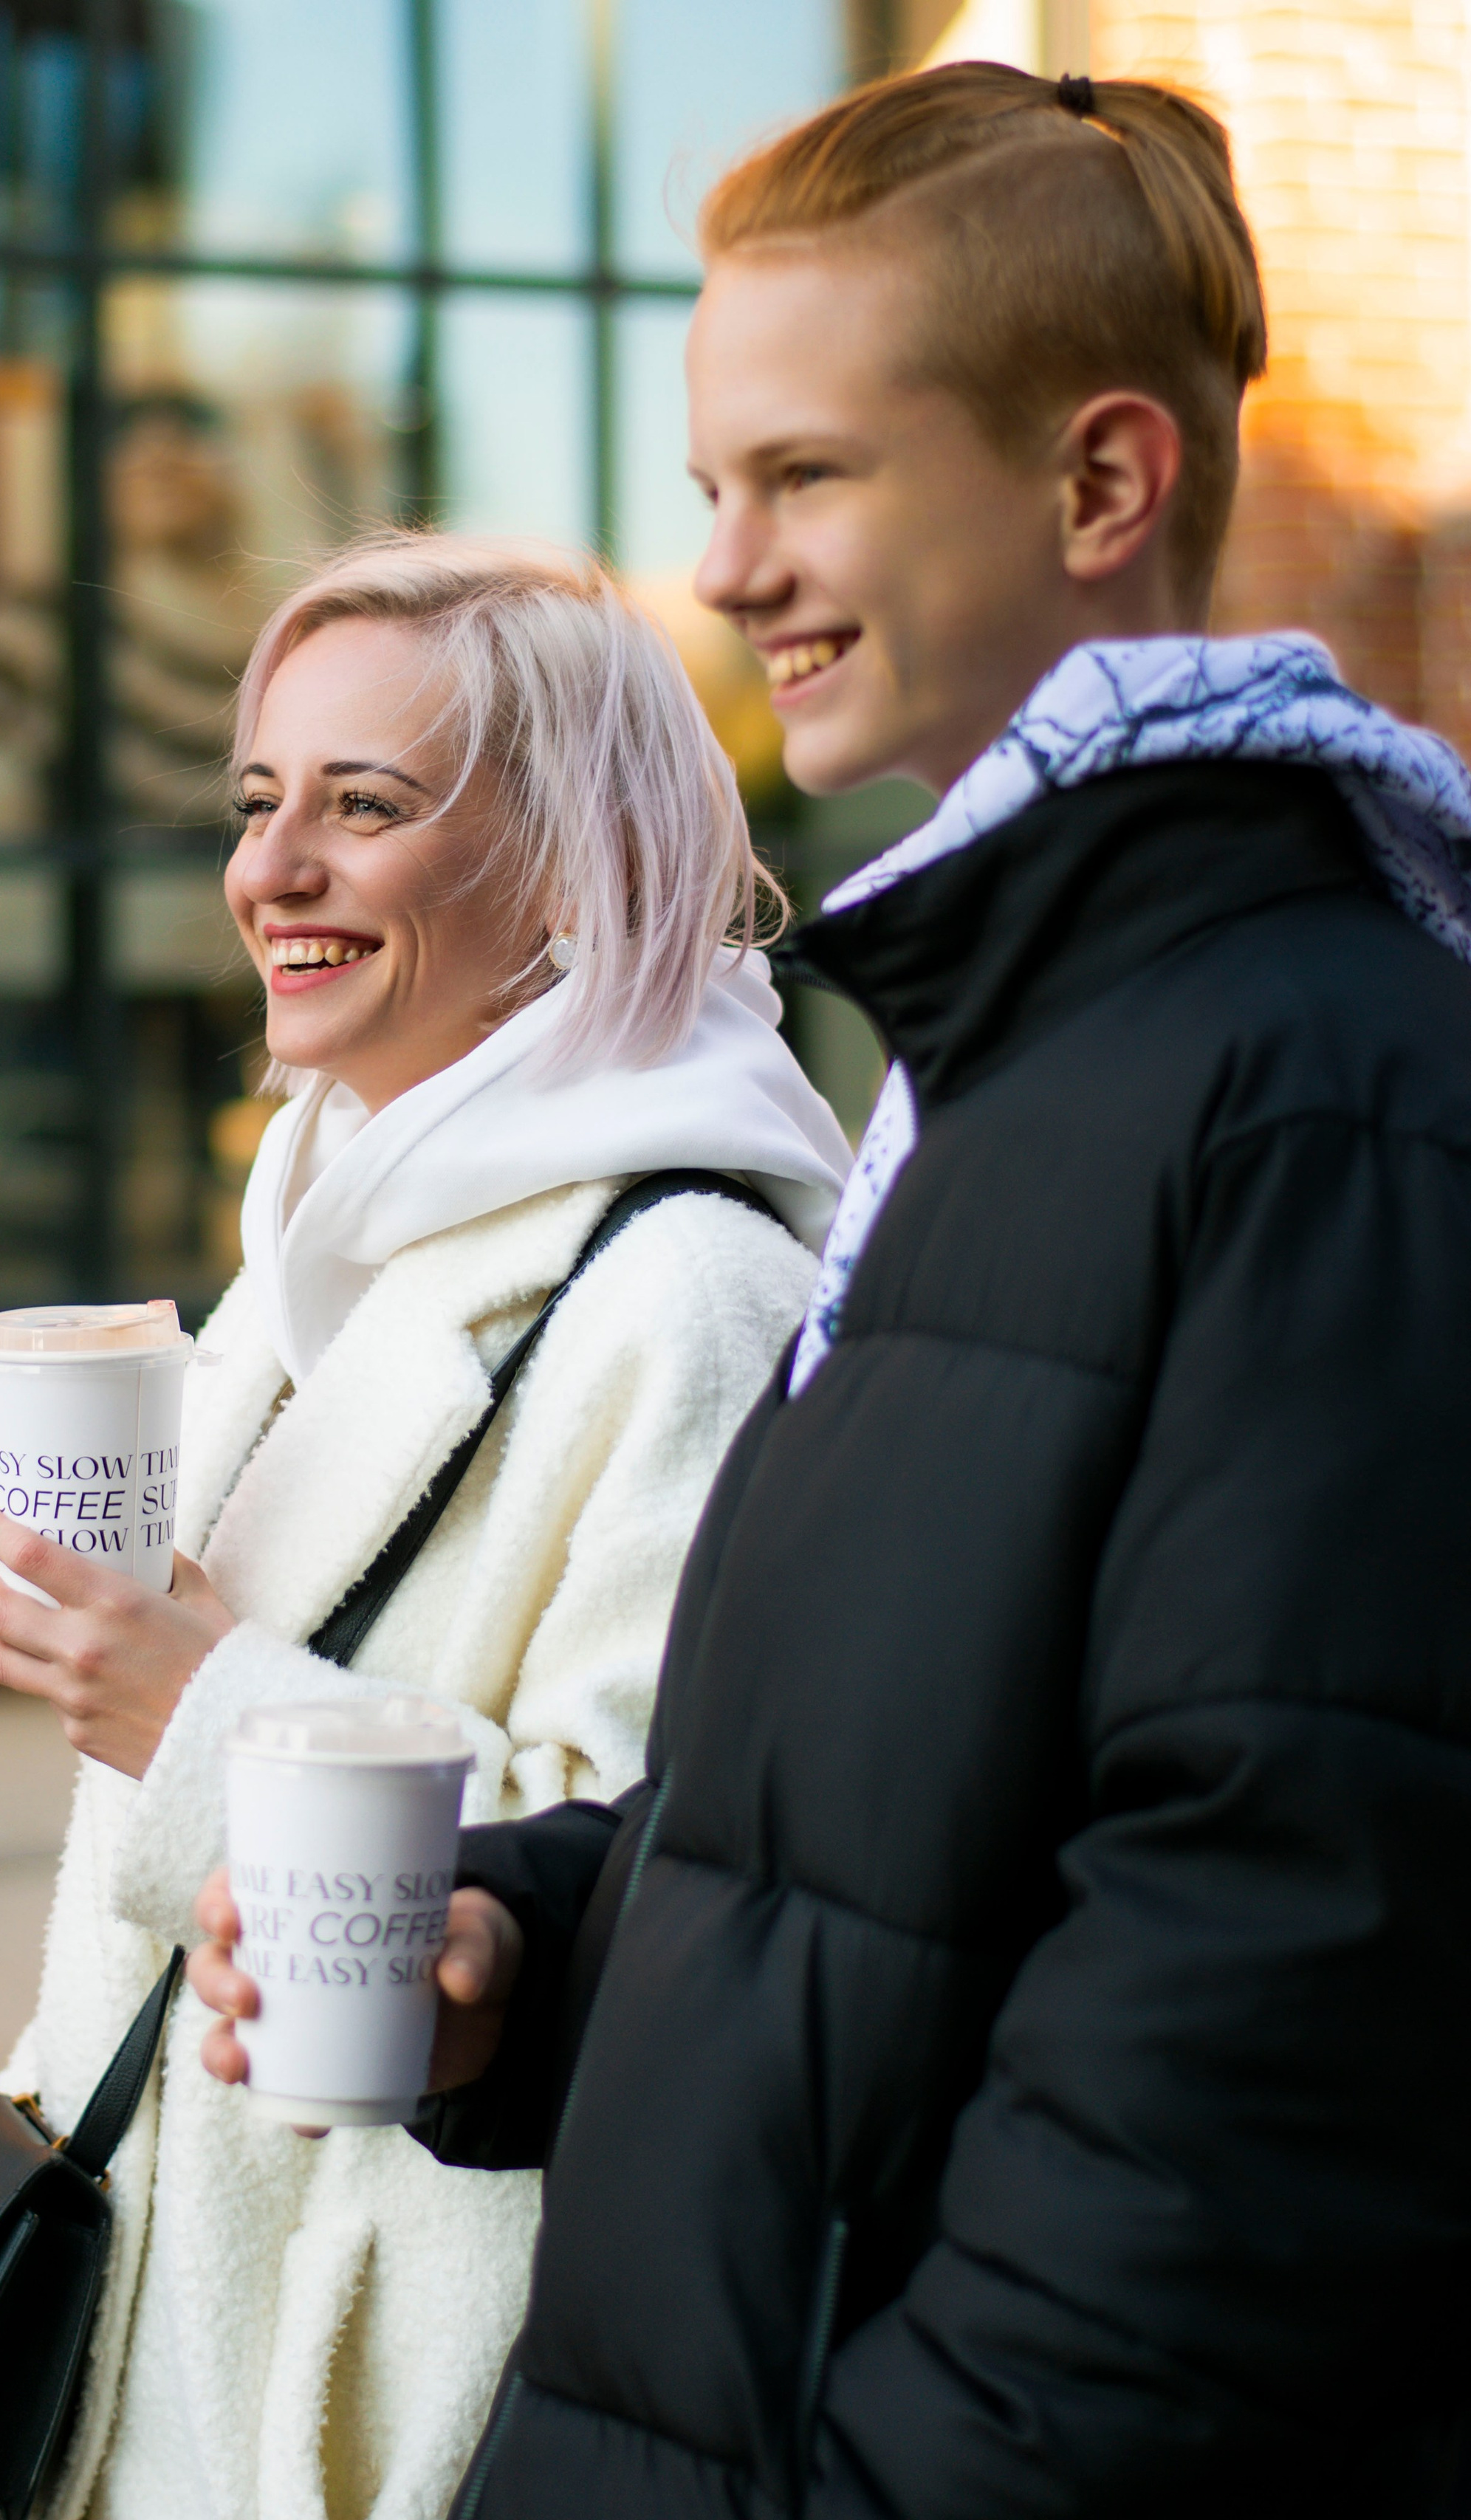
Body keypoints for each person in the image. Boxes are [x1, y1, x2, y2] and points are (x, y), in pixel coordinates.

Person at [189, 66, 1471, 2517]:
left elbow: (1275, 2010)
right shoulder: (1001, 1047)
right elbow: (881, 1824)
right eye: (713, 492)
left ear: (1103, 484)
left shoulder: (1315, 1089)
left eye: (810, 479)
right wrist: (529, 1952)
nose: (736, 570)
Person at [0, 532, 851, 2520]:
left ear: (570, 863)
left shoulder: (685, 1295)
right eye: (260, 801)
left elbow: (666, 1876)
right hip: (171, 2295)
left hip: (400, 2356)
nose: (271, 870)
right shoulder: (330, 1230)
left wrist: (197, 1716)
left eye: (364, 808)